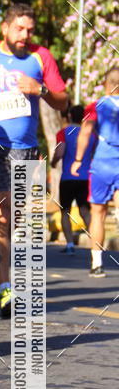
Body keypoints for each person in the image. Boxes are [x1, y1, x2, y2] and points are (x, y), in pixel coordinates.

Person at [0, 3, 67, 317]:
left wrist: (41, 89)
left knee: (17, 219)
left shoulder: (40, 57)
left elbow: (63, 100)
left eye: (30, 30)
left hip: (27, 148)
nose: (25, 35)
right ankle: (7, 291)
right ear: (5, 28)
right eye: (19, 29)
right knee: (3, 214)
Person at [71, 66, 119, 277]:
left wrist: (78, 159)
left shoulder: (96, 105)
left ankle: (97, 264)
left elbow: (86, 132)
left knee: (98, 214)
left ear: (106, 84)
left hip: (101, 164)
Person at [51, 104, 93, 254]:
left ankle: (70, 245)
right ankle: (95, 244)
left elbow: (60, 151)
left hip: (68, 177)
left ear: (69, 116)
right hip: (85, 178)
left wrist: (53, 162)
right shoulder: (90, 134)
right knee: (86, 211)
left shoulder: (63, 132)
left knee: (65, 212)